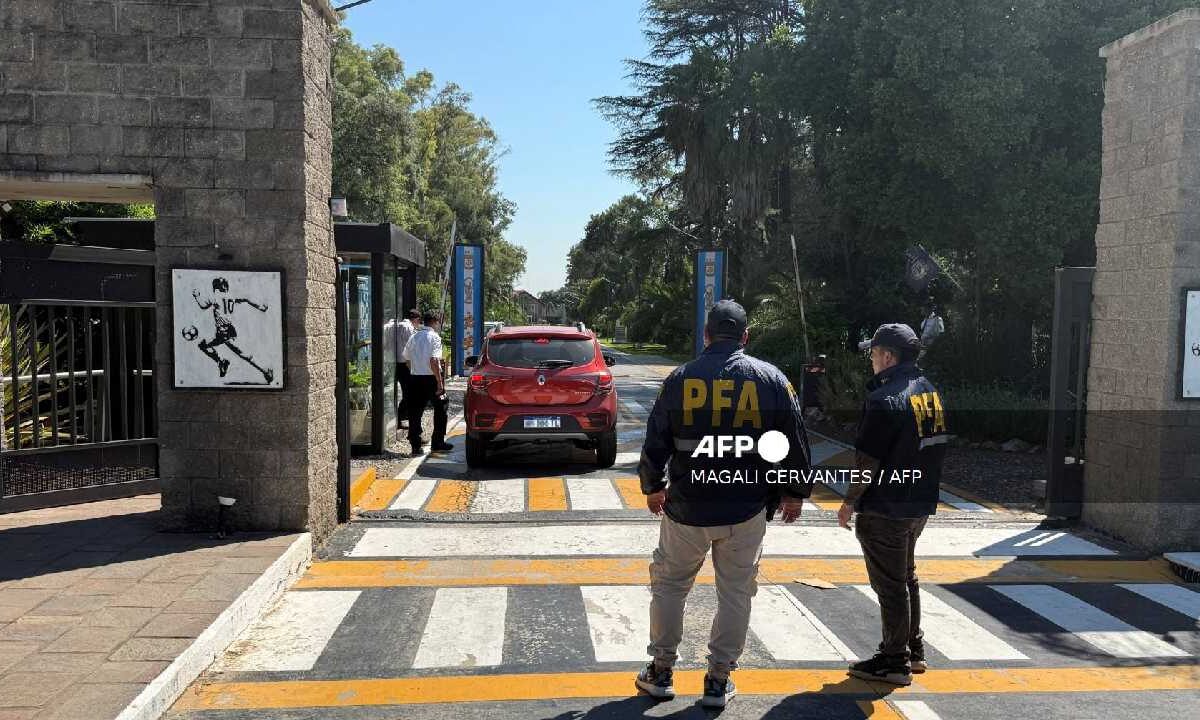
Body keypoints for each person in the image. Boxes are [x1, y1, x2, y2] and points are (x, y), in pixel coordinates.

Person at [634, 299, 812, 708]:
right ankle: (717, 681)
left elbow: (656, 438)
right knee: (735, 592)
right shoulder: (772, 380)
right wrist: (794, 493)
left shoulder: (679, 379)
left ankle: (660, 672)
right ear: (745, 337)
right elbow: (796, 442)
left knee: (670, 586)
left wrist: (652, 486)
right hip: (746, 509)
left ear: (706, 335)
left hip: (687, 508)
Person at [841, 323, 949, 686]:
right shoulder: (930, 392)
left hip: (884, 507)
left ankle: (893, 660)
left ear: (888, 356)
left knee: (890, 585)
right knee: (905, 576)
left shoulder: (883, 400)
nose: (871, 362)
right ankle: (913, 649)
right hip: (919, 503)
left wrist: (848, 502)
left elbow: (867, 463)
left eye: (873, 355)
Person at [403, 312, 452, 455]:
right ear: (435, 322)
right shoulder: (434, 337)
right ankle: (437, 442)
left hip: (415, 378)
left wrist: (415, 369)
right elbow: (434, 361)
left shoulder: (414, 336)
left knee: (415, 411)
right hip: (431, 379)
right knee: (442, 405)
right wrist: (439, 382)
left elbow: (406, 359)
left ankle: (415, 445)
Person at [394, 309, 420, 429]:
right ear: (415, 319)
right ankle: (401, 417)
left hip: (395, 363)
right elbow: (413, 347)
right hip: (406, 364)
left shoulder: (396, 326)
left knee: (406, 392)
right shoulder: (409, 328)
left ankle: (401, 417)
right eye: (418, 321)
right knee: (410, 393)